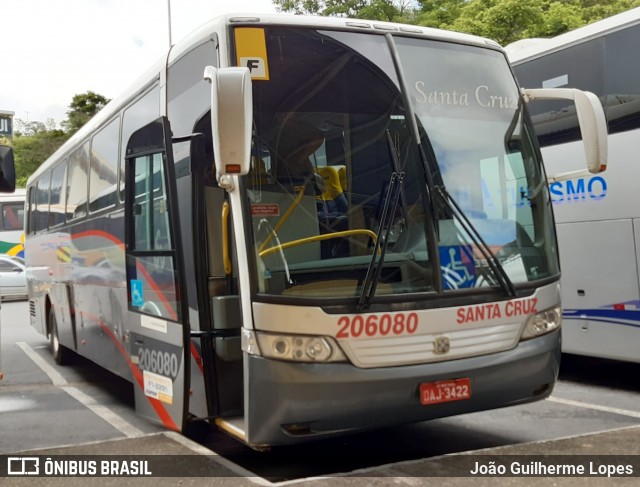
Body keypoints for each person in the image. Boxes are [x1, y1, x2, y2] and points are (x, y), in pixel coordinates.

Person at [271, 118, 325, 193]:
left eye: (285, 113)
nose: (281, 115)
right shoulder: (272, 129)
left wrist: (300, 159)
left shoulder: (297, 126)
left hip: (300, 175)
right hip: (281, 177)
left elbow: (319, 137)